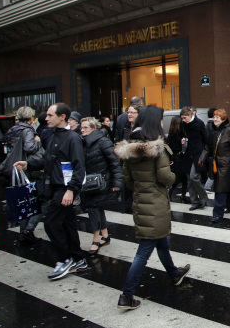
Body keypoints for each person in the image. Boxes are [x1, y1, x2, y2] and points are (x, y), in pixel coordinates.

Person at [114, 105, 190, 310]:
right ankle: (126, 295)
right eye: (160, 119)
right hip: (156, 202)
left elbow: (127, 178)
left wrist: (141, 188)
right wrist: (174, 176)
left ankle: (174, 274)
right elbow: (165, 177)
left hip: (140, 200)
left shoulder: (129, 146)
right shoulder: (158, 147)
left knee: (161, 240)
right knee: (145, 250)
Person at [13, 102, 87, 280]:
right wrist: (28, 164)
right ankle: (78, 259)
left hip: (64, 189)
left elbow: (79, 167)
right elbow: (49, 161)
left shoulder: (72, 138)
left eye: (50, 115)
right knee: (68, 225)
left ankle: (65, 259)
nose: (46, 118)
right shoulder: (53, 136)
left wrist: (71, 190)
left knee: (51, 223)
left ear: (62, 117)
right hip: (56, 187)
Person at [79, 117, 123, 256]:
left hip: (101, 183)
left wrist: (117, 183)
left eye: (85, 127)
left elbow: (115, 163)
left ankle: (95, 240)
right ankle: (105, 236)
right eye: (81, 127)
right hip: (90, 184)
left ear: (94, 128)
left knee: (93, 209)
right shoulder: (82, 142)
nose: (82, 130)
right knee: (97, 208)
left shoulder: (103, 141)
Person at [3, 106, 44, 244]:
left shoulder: (13, 130)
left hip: (15, 168)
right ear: (30, 118)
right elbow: (29, 147)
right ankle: (28, 231)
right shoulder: (27, 130)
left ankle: (23, 233)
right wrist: (38, 142)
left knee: (23, 201)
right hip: (27, 168)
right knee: (36, 200)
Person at [199, 109, 230, 223]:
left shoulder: (229, 131)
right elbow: (207, 147)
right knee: (226, 187)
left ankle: (217, 214)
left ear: (223, 119)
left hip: (227, 165)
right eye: (214, 117)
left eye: (218, 117)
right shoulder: (212, 130)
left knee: (220, 190)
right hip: (217, 164)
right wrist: (202, 158)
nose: (215, 119)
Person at [180, 106, 209, 210]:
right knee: (189, 179)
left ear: (190, 115)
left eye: (184, 118)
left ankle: (203, 197)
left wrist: (205, 154)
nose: (183, 120)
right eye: (182, 118)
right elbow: (181, 134)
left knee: (193, 176)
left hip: (198, 153)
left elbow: (205, 138)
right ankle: (195, 202)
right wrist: (183, 139)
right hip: (188, 153)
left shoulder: (199, 123)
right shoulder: (183, 124)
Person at [166, 116, 190, 203]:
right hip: (180, 157)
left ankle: (171, 193)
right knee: (183, 178)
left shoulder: (171, 133)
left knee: (177, 178)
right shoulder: (180, 133)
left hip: (173, 157)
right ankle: (182, 195)